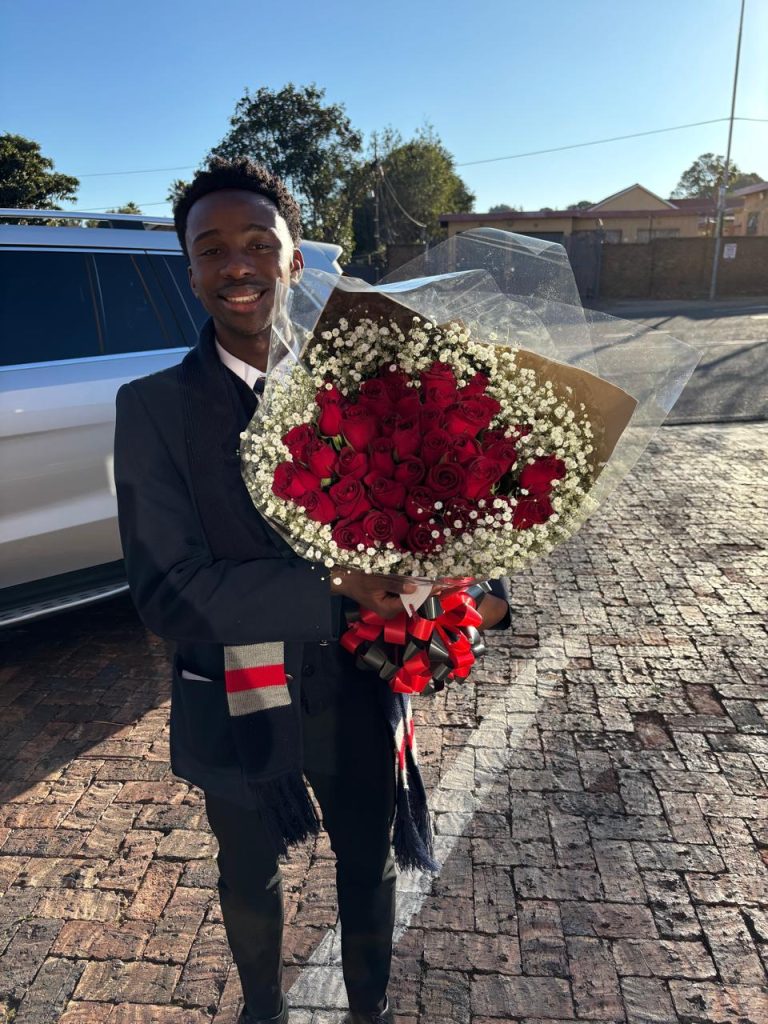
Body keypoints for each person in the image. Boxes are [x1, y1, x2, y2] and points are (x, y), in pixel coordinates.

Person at [114, 157, 511, 1024]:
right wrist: (340, 588)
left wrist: (475, 592)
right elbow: (168, 592)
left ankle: (367, 1010)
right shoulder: (153, 408)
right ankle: (263, 1008)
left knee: (366, 865)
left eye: (260, 243)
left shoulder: (366, 382)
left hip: (358, 690)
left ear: (297, 260)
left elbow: (442, 507)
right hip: (234, 695)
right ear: (191, 269)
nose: (237, 265)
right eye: (211, 249)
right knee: (247, 871)